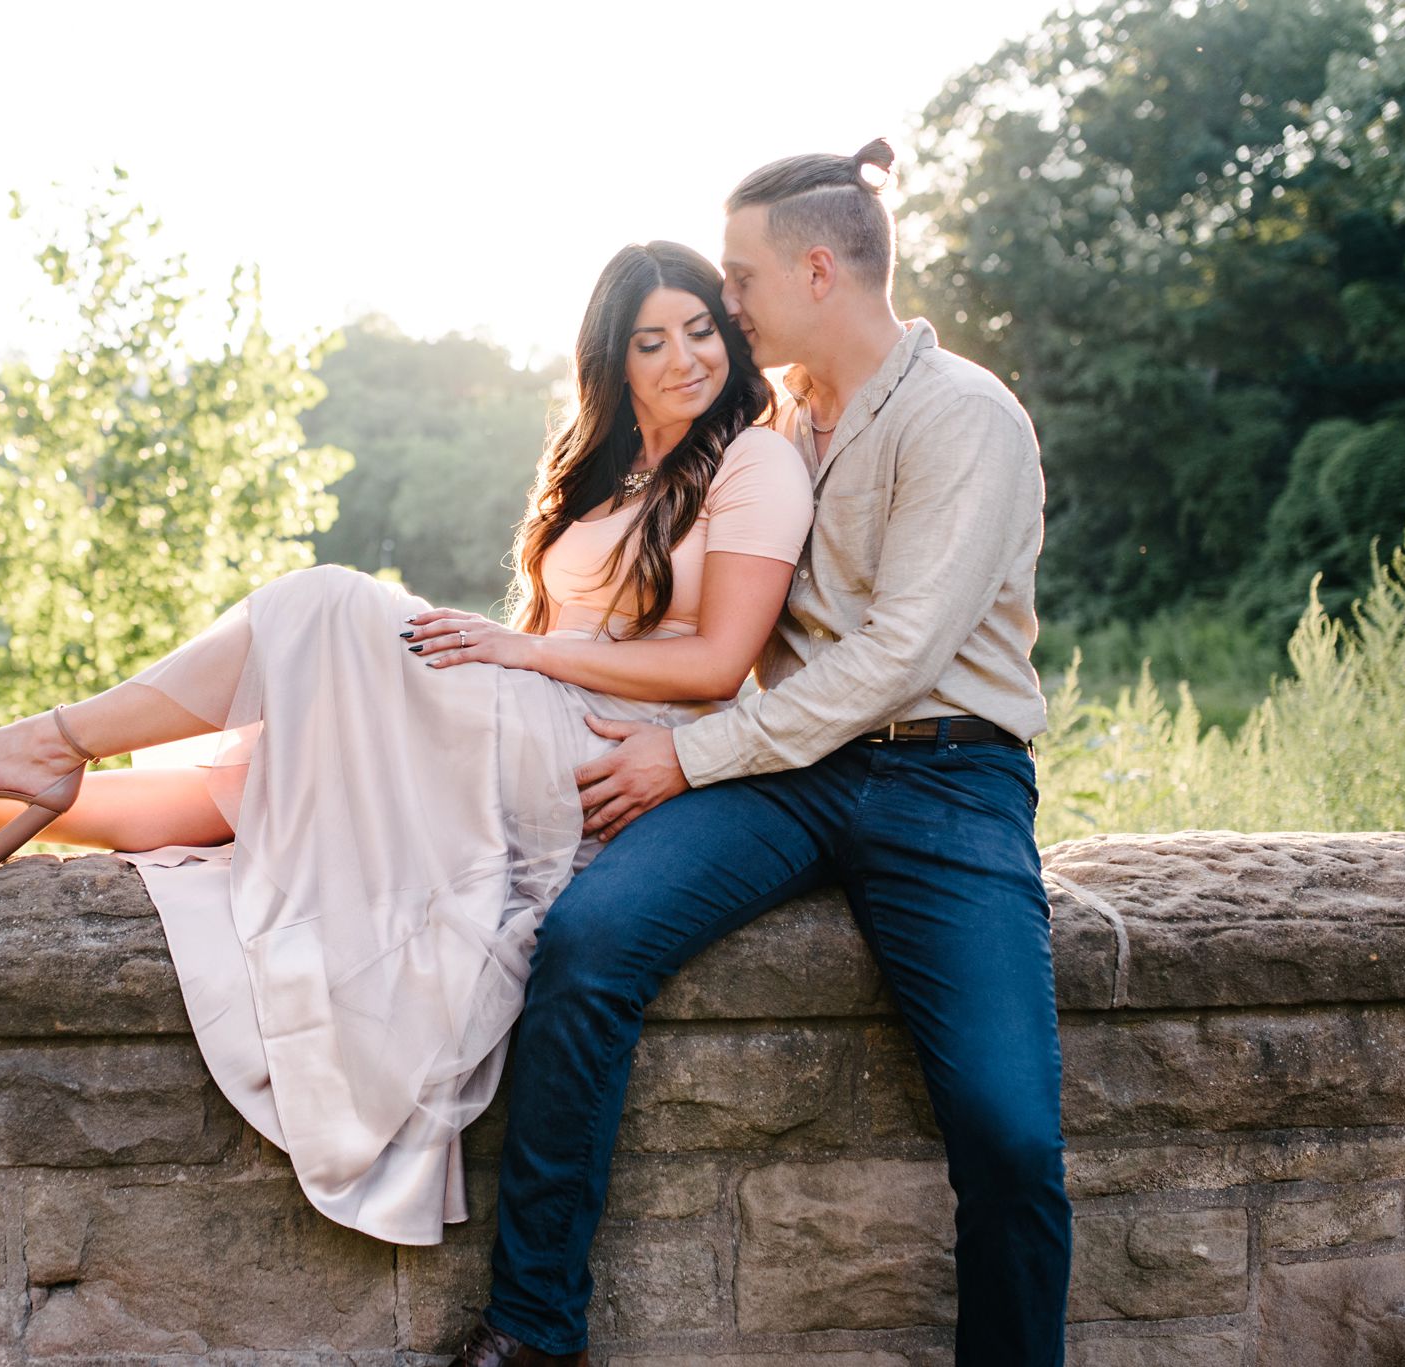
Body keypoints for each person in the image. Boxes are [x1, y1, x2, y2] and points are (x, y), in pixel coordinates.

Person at [0, 240, 814, 1248]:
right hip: (540, 704)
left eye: (699, 330)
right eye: (652, 340)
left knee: (327, 604)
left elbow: (715, 662)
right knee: (293, 745)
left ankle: (45, 748)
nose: (686, 357)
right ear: (613, 357)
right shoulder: (605, 466)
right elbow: (564, 633)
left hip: (619, 747)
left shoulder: (751, 456)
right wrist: (504, 658)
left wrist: (511, 652)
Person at [457, 141, 1071, 1367]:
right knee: (584, 944)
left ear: (815, 267)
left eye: (737, 280)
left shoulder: (965, 416)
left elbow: (897, 654)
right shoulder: (778, 423)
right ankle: (533, 1327)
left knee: (1008, 1133)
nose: (723, 308)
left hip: (947, 779)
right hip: (795, 774)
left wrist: (687, 759)